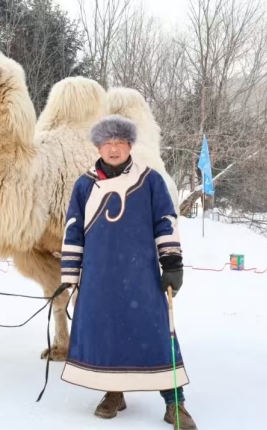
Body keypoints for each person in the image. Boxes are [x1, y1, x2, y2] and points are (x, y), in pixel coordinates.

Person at [59, 115, 197, 429]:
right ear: (98, 147)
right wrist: (70, 273)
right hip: (98, 277)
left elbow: (166, 221)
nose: (113, 149)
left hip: (141, 275)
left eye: (119, 143)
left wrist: (172, 262)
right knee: (108, 334)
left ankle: (175, 402)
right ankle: (114, 393)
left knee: (159, 334)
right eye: (107, 143)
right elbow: (73, 230)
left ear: (130, 146)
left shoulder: (150, 180)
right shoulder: (84, 184)